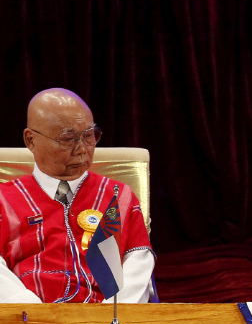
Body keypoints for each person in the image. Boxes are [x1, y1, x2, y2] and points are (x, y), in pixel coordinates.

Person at [0, 88, 154, 303]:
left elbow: (138, 260)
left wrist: (113, 314)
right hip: (31, 319)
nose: (82, 149)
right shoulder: (4, 199)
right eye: (68, 139)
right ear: (31, 141)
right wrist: (30, 310)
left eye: (89, 136)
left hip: (104, 319)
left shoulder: (118, 196)